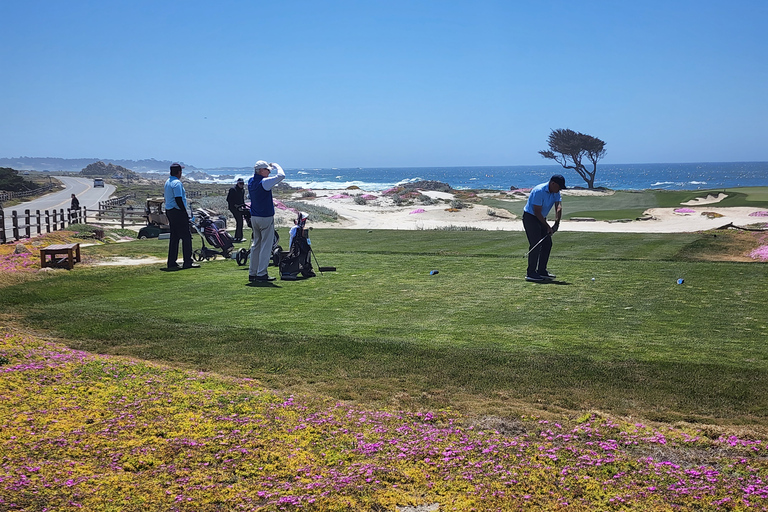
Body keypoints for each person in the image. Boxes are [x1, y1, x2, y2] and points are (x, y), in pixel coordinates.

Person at [522, 174, 565, 282]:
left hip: (541, 218)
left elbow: (558, 207)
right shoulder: (539, 191)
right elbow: (537, 212)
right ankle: (531, 273)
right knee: (536, 244)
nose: (559, 189)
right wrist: (548, 227)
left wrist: (556, 224)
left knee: (547, 243)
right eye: (559, 186)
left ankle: (541, 270)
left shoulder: (556, 192)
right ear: (552, 183)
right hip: (530, 218)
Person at [248, 160, 285, 282]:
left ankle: (252, 272)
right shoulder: (264, 182)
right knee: (266, 246)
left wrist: (270, 168)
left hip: (254, 217)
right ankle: (261, 273)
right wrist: (276, 165)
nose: (269, 172)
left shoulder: (250, 181)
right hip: (265, 217)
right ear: (261, 170)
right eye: (267, 170)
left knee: (256, 245)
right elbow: (281, 176)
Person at [164, 163, 199, 270]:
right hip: (177, 212)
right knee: (186, 237)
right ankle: (187, 261)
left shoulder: (167, 182)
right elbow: (178, 199)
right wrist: (184, 213)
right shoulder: (177, 183)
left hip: (169, 211)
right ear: (179, 172)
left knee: (174, 237)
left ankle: (171, 262)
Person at [226, 178, 250, 242]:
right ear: (237, 183)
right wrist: (235, 205)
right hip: (233, 208)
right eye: (240, 183)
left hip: (240, 207)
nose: (242, 185)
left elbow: (241, 199)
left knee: (246, 215)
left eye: (243, 183)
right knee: (239, 221)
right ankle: (238, 237)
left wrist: (243, 205)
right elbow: (228, 199)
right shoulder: (233, 190)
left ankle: (239, 237)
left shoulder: (242, 190)